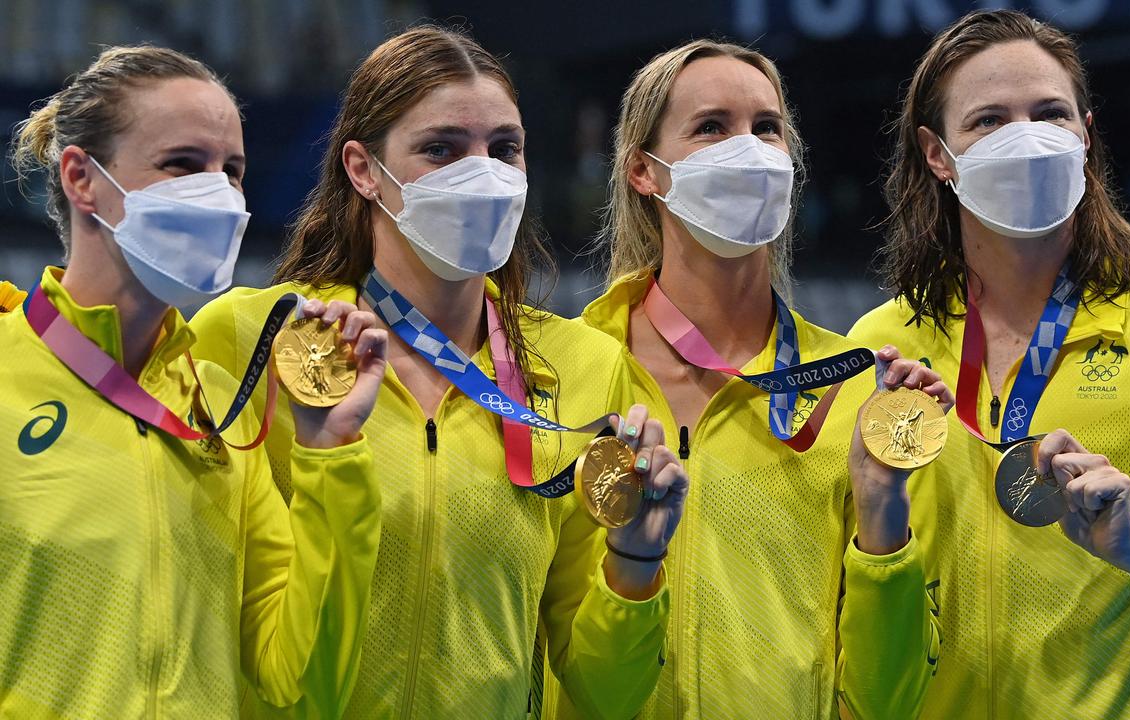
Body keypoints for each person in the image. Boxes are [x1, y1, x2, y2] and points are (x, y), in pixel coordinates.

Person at [190, 26, 688, 719]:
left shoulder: (585, 368)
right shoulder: (247, 338)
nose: (481, 174)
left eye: (503, 149)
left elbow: (607, 695)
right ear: (363, 170)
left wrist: (634, 566)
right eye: (441, 149)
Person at [849, 9, 1130, 718]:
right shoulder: (883, 348)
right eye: (989, 120)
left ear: (1084, 134)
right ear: (937, 154)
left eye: (1050, 114)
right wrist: (879, 514)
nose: (1026, 138)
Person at [545, 39, 951, 720]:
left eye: (767, 127)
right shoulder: (568, 376)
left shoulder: (857, 393)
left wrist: (883, 518)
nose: (751, 149)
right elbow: (588, 690)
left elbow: (888, 700)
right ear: (645, 171)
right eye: (712, 127)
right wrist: (633, 564)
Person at [1, 45, 387, 717]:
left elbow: (304, 683)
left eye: (231, 170)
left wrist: (333, 452)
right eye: (182, 164)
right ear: (81, 178)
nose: (219, 194)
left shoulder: (222, 406)